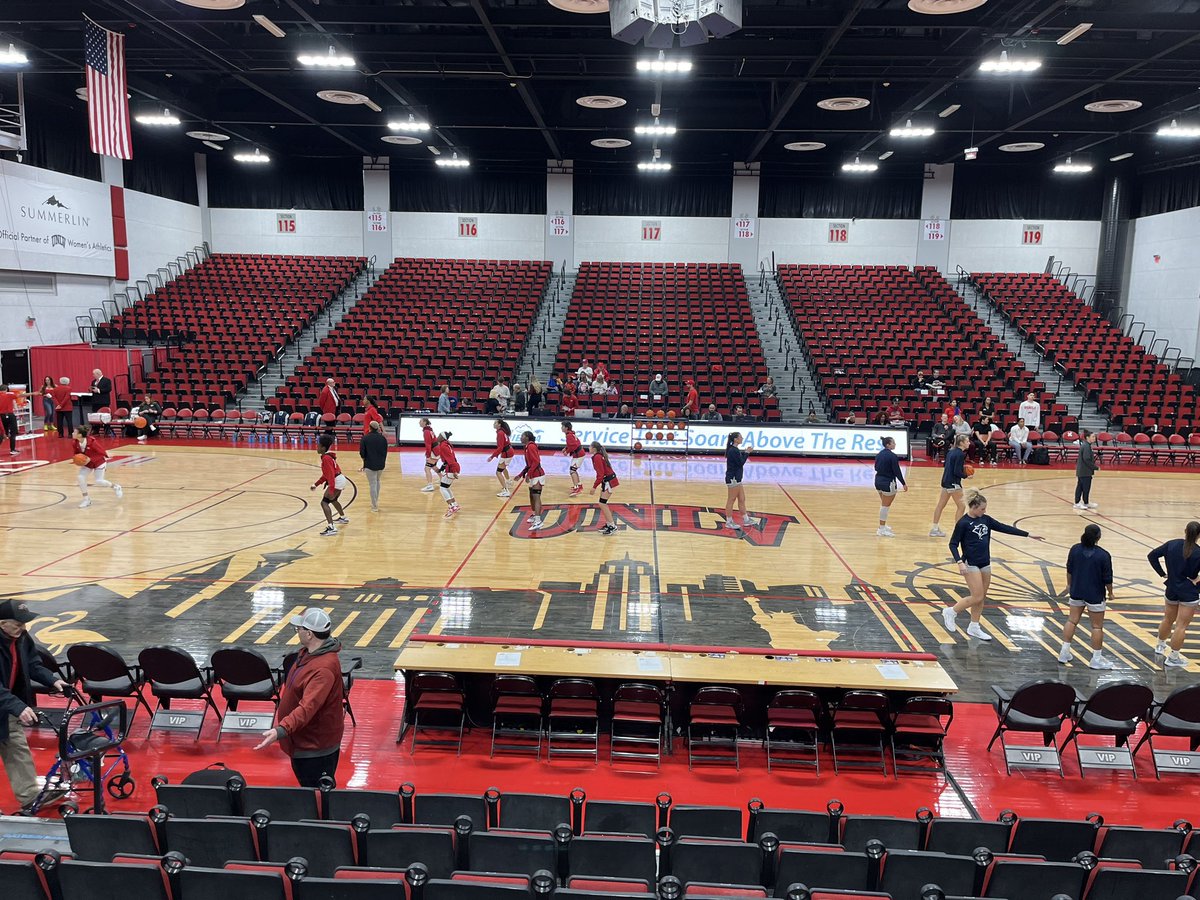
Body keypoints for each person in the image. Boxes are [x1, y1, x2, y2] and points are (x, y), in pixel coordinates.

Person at [254, 607, 345, 787]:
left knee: (318, 797)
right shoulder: (307, 654)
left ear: (310, 634)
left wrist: (281, 730)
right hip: (302, 742)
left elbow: (308, 708)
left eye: (299, 629)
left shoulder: (323, 669)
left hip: (315, 749)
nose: (298, 632)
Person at [942, 490, 1045, 640]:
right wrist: (959, 562)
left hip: (985, 561)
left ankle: (974, 626)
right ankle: (951, 611)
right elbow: (952, 544)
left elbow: (1005, 528)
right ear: (974, 507)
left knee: (982, 596)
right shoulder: (963, 523)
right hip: (970, 563)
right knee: (976, 596)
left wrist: (1028, 534)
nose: (985, 511)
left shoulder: (986, 520)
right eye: (982, 509)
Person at [0, 599, 70, 813]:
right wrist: (18, 706)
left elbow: (32, 663)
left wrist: (52, 680)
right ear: (1, 623)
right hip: (8, 702)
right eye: (18, 623)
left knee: (16, 748)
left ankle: (30, 796)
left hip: (6, 705)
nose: (24, 627)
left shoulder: (21, 637)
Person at [1059, 524, 1115, 669]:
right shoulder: (1103, 555)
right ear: (1099, 537)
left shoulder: (1075, 549)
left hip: (1076, 591)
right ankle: (1096, 659)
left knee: (1071, 621)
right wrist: (1111, 592)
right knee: (1097, 627)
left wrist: (1069, 585)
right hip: (1095, 594)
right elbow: (1107, 578)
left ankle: (1064, 652)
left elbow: (1069, 569)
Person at [1148, 521, 1200, 669]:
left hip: (1171, 588)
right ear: (1199, 535)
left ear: (1185, 531)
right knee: (1181, 626)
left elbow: (1152, 556)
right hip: (1188, 592)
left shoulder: (1172, 544)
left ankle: (1160, 645)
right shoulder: (1198, 552)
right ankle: (1173, 657)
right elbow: (1194, 576)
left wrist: (1163, 574)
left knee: (1168, 619)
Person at [72, 424, 122, 508]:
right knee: (80, 477)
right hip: (87, 464)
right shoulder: (75, 443)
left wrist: (90, 458)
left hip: (99, 462)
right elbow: (76, 454)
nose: (72, 433)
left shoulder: (92, 442)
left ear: (80, 434)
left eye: (74, 432)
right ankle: (86, 500)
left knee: (99, 481)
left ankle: (116, 487)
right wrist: (77, 459)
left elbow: (102, 453)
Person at [930, 434, 970, 537]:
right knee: (961, 506)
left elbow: (947, 467)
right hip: (953, 483)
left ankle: (934, 529)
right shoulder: (960, 454)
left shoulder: (951, 451)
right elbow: (956, 471)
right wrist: (966, 475)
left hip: (945, 481)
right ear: (961, 443)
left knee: (940, 505)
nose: (969, 443)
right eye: (967, 441)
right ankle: (958, 531)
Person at [311, 434, 349, 535]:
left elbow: (331, 476)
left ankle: (331, 527)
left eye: (318, 445)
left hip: (336, 480)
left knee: (324, 503)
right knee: (333, 500)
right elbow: (326, 475)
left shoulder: (326, 459)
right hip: (340, 479)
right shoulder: (327, 457)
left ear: (323, 448)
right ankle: (343, 517)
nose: (317, 447)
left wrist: (331, 489)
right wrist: (316, 484)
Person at [873, 436, 907, 537]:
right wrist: (903, 483)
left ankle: (883, 525)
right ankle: (881, 529)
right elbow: (897, 471)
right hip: (888, 482)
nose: (895, 444)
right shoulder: (892, 456)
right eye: (893, 443)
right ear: (888, 444)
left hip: (878, 481)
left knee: (884, 505)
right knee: (885, 507)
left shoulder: (879, 454)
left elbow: (876, 467)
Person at [589, 441, 620, 536]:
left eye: (590, 446)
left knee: (602, 504)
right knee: (602, 503)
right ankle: (609, 524)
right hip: (607, 480)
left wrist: (594, 487)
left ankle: (612, 526)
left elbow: (600, 474)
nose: (588, 448)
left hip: (609, 481)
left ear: (594, 448)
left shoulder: (597, 457)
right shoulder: (598, 456)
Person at [517, 431, 546, 531]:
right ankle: (535, 515)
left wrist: (528, 474)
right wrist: (521, 474)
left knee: (536, 497)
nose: (520, 438)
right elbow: (529, 464)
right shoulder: (527, 447)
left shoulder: (531, 447)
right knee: (532, 496)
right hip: (533, 474)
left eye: (522, 436)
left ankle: (538, 521)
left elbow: (536, 461)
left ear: (527, 437)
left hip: (537, 474)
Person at [724, 432, 753, 531]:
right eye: (740, 437)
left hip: (737, 478)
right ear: (736, 439)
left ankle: (746, 519)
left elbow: (739, 461)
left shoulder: (734, 450)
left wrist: (745, 452)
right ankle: (729, 521)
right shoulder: (733, 450)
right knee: (731, 500)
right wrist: (747, 453)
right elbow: (740, 463)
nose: (742, 438)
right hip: (733, 478)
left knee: (742, 498)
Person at [358, 420, 388, 512]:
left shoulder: (365, 438)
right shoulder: (383, 438)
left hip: (369, 464)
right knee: (377, 481)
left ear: (369, 428)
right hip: (380, 464)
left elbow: (362, 453)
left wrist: (364, 462)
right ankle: (375, 501)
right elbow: (385, 452)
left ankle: (374, 505)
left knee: (372, 484)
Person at [432, 432, 462, 517]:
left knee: (442, 488)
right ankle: (455, 504)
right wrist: (441, 469)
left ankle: (451, 507)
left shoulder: (443, 446)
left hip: (452, 468)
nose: (437, 437)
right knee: (446, 487)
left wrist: (454, 471)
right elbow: (447, 460)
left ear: (442, 437)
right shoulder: (446, 444)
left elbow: (450, 459)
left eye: (439, 436)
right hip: (453, 467)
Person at [488, 419, 516, 498]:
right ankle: (508, 481)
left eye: (495, 423)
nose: (494, 424)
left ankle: (505, 490)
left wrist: (492, 456)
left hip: (506, 453)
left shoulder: (500, 433)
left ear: (499, 424)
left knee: (498, 472)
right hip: (509, 451)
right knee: (503, 468)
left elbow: (500, 447)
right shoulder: (503, 431)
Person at [1074, 429, 1099, 511]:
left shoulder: (1086, 445)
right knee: (1083, 488)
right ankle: (1078, 503)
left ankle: (1086, 502)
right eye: (1092, 437)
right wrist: (1095, 467)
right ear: (1087, 437)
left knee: (1083, 487)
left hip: (1084, 471)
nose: (1094, 438)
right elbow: (1087, 459)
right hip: (1084, 471)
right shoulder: (1086, 446)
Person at [561, 421, 586, 496]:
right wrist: (565, 448)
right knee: (573, 470)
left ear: (566, 428)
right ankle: (579, 485)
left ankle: (576, 488)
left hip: (579, 455)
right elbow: (573, 443)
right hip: (578, 454)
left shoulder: (569, 435)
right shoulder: (571, 434)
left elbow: (573, 446)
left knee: (572, 471)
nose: (561, 428)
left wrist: (567, 451)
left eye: (562, 426)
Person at [89, 368, 114, 436]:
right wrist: (91, 389)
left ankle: (107, 430)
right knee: (95, 416)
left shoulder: (107, 380)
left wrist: (99, 390)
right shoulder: (93, 381)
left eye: (94, 374)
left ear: (98, 374)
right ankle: (96, 430)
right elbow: (93, 388)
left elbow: (109, 389)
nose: (93, 375)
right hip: (95, 401)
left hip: (103, 401)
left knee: (105, 416)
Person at [0, 384, 20, 455]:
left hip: (1, 416)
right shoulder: (9, 395)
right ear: (6, 389)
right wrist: (33, 393)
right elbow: (21, 395)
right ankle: (12, 449)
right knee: (13, 433)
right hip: (10, 415)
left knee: (2, 434)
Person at [419, 417, 437, 493]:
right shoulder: (430, 429)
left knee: (427, 468)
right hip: (437, 450)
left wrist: (428, 455)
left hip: (434, 451)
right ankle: (442, 479)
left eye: (420, 421)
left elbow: (428, 444)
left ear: (425, 422)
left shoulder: (426, 431)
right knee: (433, 466)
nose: (419, 422)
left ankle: (430, 486)